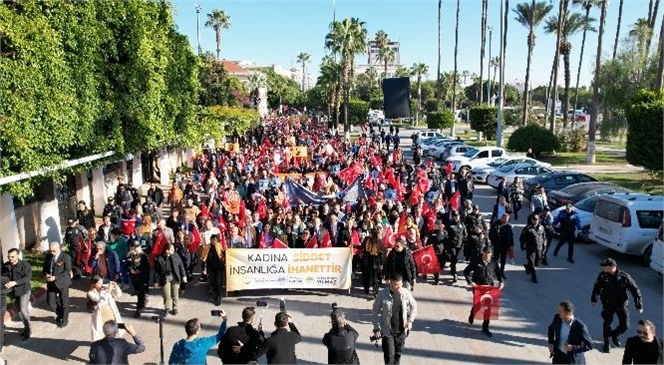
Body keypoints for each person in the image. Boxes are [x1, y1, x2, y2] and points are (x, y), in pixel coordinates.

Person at [591, 258, 644, 353]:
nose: (602, 268)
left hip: (621, 304)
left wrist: (638, 305)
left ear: (612, 267)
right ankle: (606, 342)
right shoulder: (602, 276)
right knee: (607, 323)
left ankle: (614, 335)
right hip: (608, 303)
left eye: (605, 266)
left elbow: (635, 290)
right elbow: (597, 288)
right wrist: (594, 299)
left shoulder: (624, 277)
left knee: (625, 326)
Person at [371, 273, 418, 365]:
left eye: (401, 284)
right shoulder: (383, 294)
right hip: (387, 332)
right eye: (397, 284)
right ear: (391, 284)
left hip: (401, 332)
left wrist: (410, 321)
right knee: (389, 358)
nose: (400, 286)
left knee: (397, 357)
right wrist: (377, 328)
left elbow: (414, 305)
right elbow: (375, 310)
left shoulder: (405, 293)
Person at [464, 246, 503, 337]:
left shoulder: (493, 262)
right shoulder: (476, 261)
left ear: (491, 254)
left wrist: (501, 282)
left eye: (489, 255)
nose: (487, 257)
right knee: (478, 305)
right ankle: (472, 313)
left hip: (489, 287)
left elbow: (499, 272)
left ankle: (485, 327)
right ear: (482, 253)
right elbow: (466, 271)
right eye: (485, 255)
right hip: (478, 287)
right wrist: (470, 282)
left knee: (488, 308)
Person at [2, 248, 32, 340]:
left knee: (23, 310)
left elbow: (28, 278)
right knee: (19, 311)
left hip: (24, 290)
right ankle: (26, 326)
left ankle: (28, 330)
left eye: (12, 256)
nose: (10, 258)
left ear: (17, 255)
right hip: (13, 292)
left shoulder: (25, 265)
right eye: (9, 257)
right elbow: (3, 276)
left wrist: (15, 282)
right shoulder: (6, 265)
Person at [42, 242, 72, 328]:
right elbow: (44, 269)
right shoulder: (48, 257)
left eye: (54, 251)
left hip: (63, 282)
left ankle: (65, 319)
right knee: (51, 302)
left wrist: (56, 277)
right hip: (51, 283)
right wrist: (46, 275)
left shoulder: (65, 257)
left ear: (59, 249)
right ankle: (60, 314)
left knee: (64, 302)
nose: (52, 253)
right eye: (50, 251)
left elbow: (67, 270)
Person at [154, 243, 187, 317]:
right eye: (172, 249)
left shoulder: (175, 256)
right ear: (167, 251)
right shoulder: (160, 258)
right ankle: (167, 308)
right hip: (165, 278)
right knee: (166, 294)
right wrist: (156, 281)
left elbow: (181, 265)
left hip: (175, 277)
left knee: (175, 293)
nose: (174, 250)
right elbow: (157, 271)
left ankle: (175, 307)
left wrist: (184, 275)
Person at [87, 276, 123, 341]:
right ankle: (101, 343)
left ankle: (112, 341)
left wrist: (116, 287)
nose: (101, 284)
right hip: (100, 313)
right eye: (99, 283)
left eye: (101, 282)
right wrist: (108, 290)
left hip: (110, 311)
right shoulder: (91, 293)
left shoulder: (105, 287)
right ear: (94, 284)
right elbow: (101, 301)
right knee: (101, 330)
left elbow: (118, 294)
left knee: (112, 328)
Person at [519, 213, 547, 284]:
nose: (536, 221)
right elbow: (522, 238)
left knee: (537, 260)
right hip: (530, 248)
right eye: (534, 220)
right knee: (532, 263)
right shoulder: (527, 228)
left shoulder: (541, 227)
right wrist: (522, 246)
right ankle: (533, 276)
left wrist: (544, 246)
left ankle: (527, 267)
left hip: (539, 247)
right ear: (531, 220)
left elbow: (544, 237)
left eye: (537, 219)